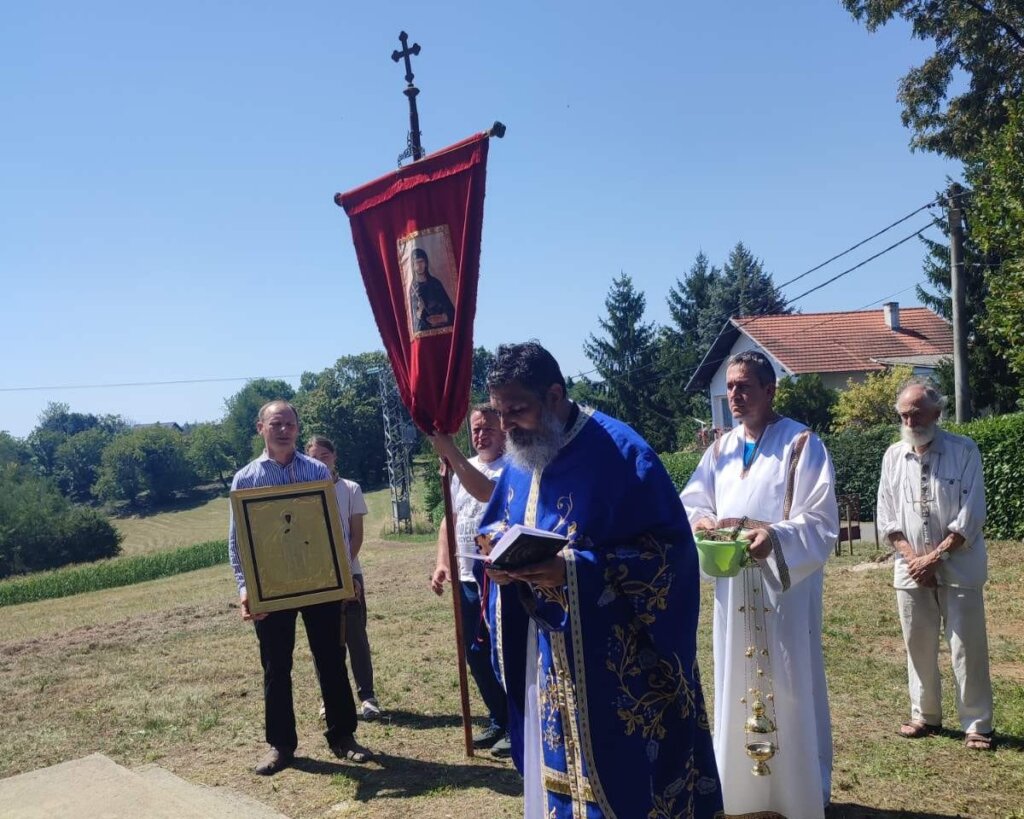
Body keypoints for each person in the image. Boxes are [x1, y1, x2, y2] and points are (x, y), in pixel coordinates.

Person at [478, 342, 723, 819]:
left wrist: (571, 571)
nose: (505, 425)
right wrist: (494, 556)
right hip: (549, 659)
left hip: (620, 666)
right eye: (500, 411)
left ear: (553, 395)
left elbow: (669, 556)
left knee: (629, 789)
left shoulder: (620, 452)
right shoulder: (521, 457)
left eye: (516, 410)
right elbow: (498, 521)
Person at [680, 350, 838, 819]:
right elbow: (690, 502)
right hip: (733, 586)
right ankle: (741, 793)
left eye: (745, 385)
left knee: (790, 682)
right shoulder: (720, 449)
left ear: (770, 390)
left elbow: (821, 520)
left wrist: (776, 536)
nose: (735, 395)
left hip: (782, 591)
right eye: (729, 387)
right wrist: (704, 519)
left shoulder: (801, 444)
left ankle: (796, 793)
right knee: (734, 678)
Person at [228, 400, 371, 775]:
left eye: (290, 423)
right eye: (276, 423)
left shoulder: (317, 471)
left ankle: (343, 736)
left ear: (297, 428)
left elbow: (335, 533)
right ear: (261, 427)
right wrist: (246, 589)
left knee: (331, 659)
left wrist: (342, 578)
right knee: (276, 667)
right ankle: (281, 745)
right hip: (271, 590)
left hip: (319, 583)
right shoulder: (245, 479)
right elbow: (237, 542)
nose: (284, 429)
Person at [876, 380, 994, 750]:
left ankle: (976, 724)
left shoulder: (964, 450)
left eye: (917, 413)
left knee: (966, 646)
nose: (910, 421)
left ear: (937, 413)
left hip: (959, 565)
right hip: (910, 569)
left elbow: (971, 514)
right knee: (917, 643)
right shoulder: (893, 456)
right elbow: (887, 518)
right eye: (904, 414)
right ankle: (924, 715)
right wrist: (914, 561)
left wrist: (936, 557)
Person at [429, 404, 511, 758]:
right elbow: (451, 519)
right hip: (466, 575)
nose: (480, 435)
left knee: (502, 651)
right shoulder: (466, 468)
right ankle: (499, 718)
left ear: (504, 429)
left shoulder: (513, 466)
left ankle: (517, 724)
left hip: (498, 575)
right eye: (475, 429)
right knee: (474, 651)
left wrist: (450, 452)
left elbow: (486, 493)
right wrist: (442, 563)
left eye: (487, 427)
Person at [305, 435, 381, 722]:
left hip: (350, 572)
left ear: (334, 456)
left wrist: (345, 572)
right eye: (313, 456)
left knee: (355, 636)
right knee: (322, 640)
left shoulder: (350, 489)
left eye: (324, 455)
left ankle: (367, 696)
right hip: (316, 577)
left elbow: (356, 535)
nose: (320, 461)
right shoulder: (303, 491)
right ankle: (330, 698)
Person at [408, 247, 455, 332]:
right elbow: (415, 321)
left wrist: (443, 318)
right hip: (426, 332)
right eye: (417, 263)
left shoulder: (435, 283)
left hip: (443, 330)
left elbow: (451, 310)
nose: (419, 266)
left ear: (426, 263)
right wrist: (420, 312)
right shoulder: (413, 289)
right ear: (413, 265)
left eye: (421, 262)